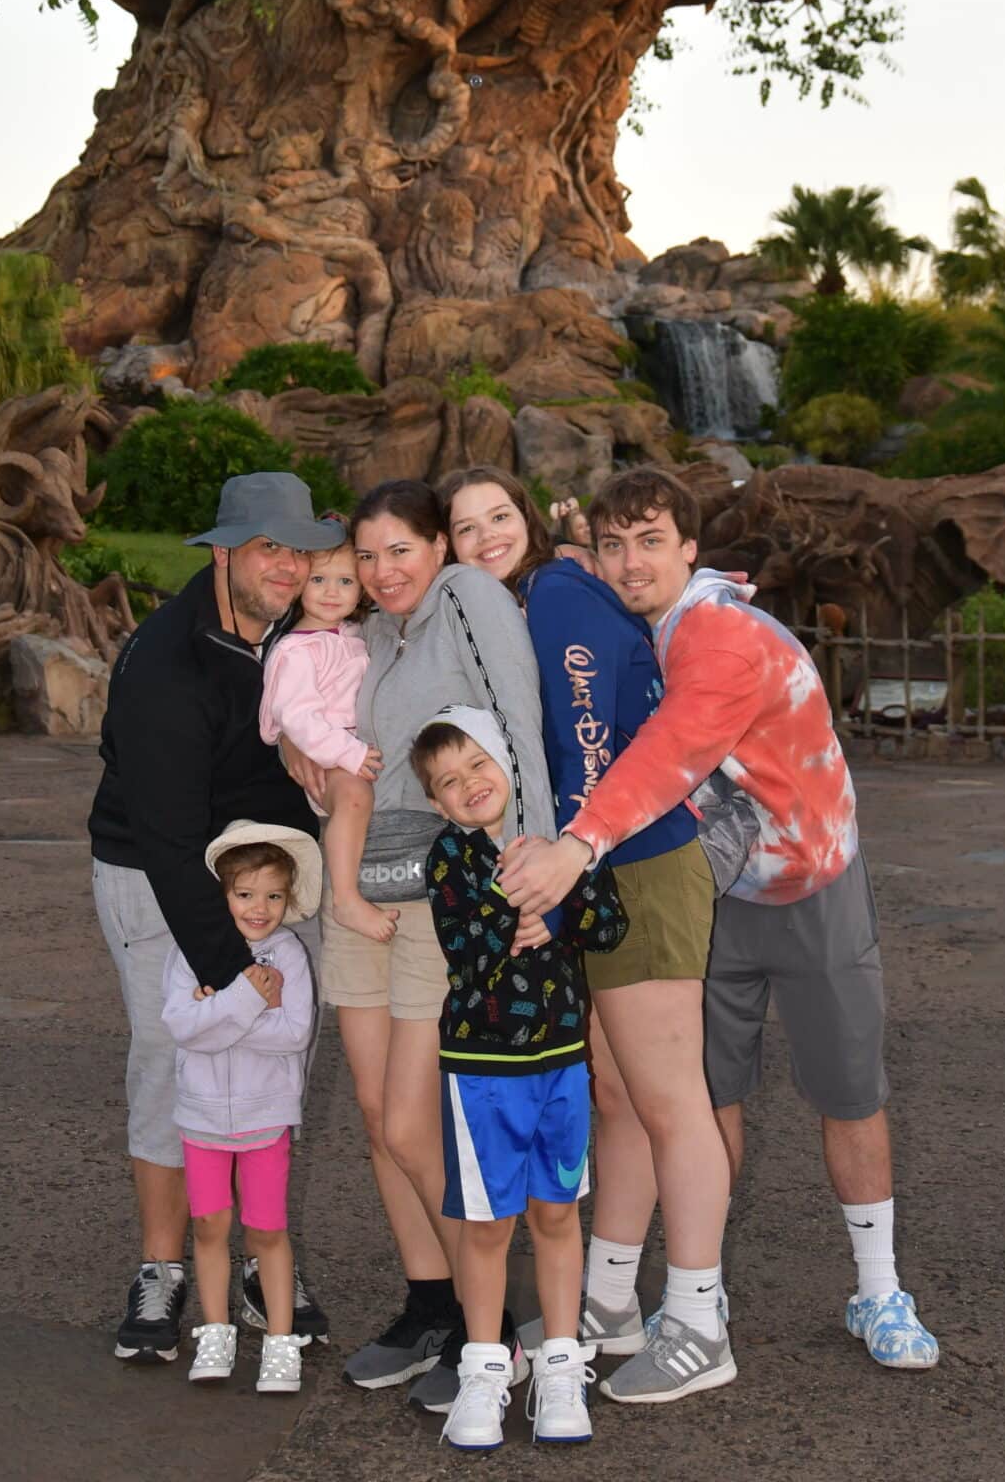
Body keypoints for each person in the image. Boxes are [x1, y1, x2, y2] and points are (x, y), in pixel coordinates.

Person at [502, 465, 941, 1373]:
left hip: (811, 886)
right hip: (713, 893)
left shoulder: (720, 638)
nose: (630, 564)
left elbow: (671, 753)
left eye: (650, 541)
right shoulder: (646, 626)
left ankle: (878, 1288)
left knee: (847, 1091)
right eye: (614, 546)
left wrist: (575, 848)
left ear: (690, 549)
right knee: (706, 1096)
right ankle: (698, 1294)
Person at [447, 465, 751, 1404]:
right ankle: (611, 1304)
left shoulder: (557, 592)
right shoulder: (527, 601)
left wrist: (563, 858)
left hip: (638, 862)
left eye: (501, 515)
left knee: (668, 1101)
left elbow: (584, 741)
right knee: (617, 1093)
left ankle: (699, 1321)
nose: (487, 536)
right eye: (465, 528)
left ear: (530, 524)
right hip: (600, 866)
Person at [300, 478, 555, 1413]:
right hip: (360, 890)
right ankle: (432, 1306)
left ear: (436, 549)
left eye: (400, 549)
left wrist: (527, 876)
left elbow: (518, 732)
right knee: (376, 1119)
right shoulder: (366, 638)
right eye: (365, 556)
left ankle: (496, 1332)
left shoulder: (470, 601)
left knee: (415, 1123)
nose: (381, 570)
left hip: (448, 896)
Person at [89, 471, 338, 1366]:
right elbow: (165, 839)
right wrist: (232, 974)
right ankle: (162, 1267)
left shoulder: (309, 631)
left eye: (301, 550)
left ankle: (261, 1257)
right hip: (159, 872)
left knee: (279, 1059)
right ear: (223, 552)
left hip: (271, 867)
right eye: (270, 548)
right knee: (175, 1056)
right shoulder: (165, 664)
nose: (290, 566)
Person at [413, 704, 627, 1450]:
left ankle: (560, 1365)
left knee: (558, 1214)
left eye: (477, 764)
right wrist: (524, 913)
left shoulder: (561, 845)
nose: (468, 784)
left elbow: (607, 924)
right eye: (448, 781)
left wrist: (559, 909)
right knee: (485, 1223)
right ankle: (482, 1367)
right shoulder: (449, 857)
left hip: (560, 1062)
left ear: (506, 762)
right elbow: (466, 947)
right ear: (436, 802)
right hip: (481, 1070)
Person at [162, 822, 322, 1394]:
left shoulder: (292, 955)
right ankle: (215, 1331)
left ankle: (280, 1341)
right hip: (202, 1117)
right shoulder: (191, 952)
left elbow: (294, 1034)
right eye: (246, 893)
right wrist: (251, 998)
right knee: (209, 1225)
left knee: (267, 1228)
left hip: (265, 1117)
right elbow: (182, 1027)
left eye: (274, 895)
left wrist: (224, 1013)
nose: (260, 908)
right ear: (223, 893)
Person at [257, 520, 391, 944]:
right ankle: (345, 898)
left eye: (345, 581)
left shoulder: (348, 634)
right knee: (354, 797)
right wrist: (347, 753)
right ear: (300, 585)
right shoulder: (297, 650)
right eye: (319, 579)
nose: (332, 592)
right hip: (328, 757)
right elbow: (298, 719)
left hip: (346, 749)